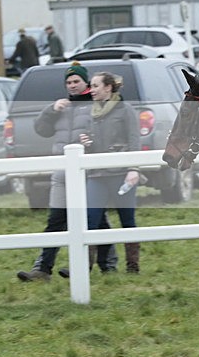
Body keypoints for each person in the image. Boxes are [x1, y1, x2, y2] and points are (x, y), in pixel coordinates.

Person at [16, 63, 117, 281]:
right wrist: (51, 111)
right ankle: (42, 269)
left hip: (88, 173)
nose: (72, 85)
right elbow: (41, 130)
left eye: (76, 81)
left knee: (97, 221)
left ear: (86, 83)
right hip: (61, 174)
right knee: (56, 220)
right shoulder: (60, 107)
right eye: (68, 82)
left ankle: (108, 266)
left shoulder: (96, 104)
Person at [74, 72, 142, 274]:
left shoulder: (126, 110)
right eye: (91, 86)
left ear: (108, 88)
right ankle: (83, 268)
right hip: (97, 175)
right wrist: (87, 144)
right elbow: (94, 145)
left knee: (127, 220)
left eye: (95, 86)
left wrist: (133, 169)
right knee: (89, 219)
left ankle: (133, 266)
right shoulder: (92, 113)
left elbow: (134, 141)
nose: (91, 90)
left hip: (121, 174)